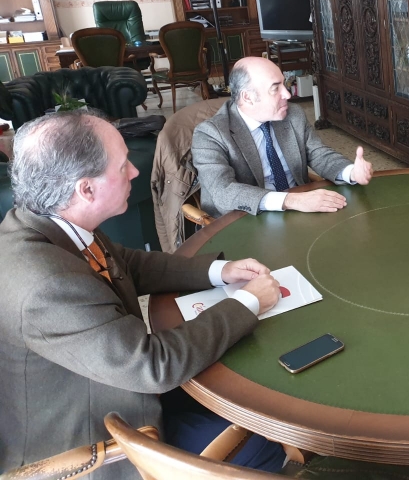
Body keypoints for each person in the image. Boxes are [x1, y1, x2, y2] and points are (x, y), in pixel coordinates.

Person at [0, 110, 286, 478]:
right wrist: (246, 302)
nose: (135, 172)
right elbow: (154, 366)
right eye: (122, 167)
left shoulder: (49, 220)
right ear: (85, 188)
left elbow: (126, 263)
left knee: (245, 387)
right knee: (262, 447)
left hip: (111, 376)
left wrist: (218, 271)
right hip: (96, 433)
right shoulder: (47, 286)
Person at [192, 57, 373, 217]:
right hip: (246, 217)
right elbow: (224, 192)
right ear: (247, 98)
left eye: (284, 84)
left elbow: (319, 154)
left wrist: (351, 172)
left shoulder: (292, 114)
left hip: (299, 211)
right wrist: (293, 201)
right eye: (275, 88)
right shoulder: (210, 134)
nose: (287, 94)